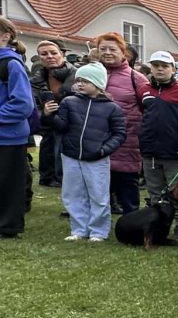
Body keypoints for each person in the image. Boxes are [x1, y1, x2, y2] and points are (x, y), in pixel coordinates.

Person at [45, 64, 126, 243]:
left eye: (85, 81)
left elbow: (119, 133)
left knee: (98, 195)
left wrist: (104, 150)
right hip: (71, 156)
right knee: (73, 193)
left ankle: (98, 231)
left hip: (97, 159)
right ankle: (79, 229)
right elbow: (62, 126)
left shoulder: (112, 108)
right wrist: (49, 116)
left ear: (98, 83)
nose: (80, 84)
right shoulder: (69, 102)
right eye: (78, 80)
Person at [92, 33, 150, 215]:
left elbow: (146, 109)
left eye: (112, 49)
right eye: (103, 49)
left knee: (127, 184)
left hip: (127, 140)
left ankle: (131, 219)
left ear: (123, 52)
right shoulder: (91, 74)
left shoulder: (136, 78)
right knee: (99, 184)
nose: (107, 53)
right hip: (96, 138)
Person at [140, 50, 178, 240]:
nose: (160, 69)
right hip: (150, 150)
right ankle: (159, 223)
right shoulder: (144, 90)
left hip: (175, 150)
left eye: (164, 66)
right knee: (155, 190)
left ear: (173, 69)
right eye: (156, 66)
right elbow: (142, 112)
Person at [0, 19, 35, 239]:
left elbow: (23, 104)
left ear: (6, 36)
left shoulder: (11, 64)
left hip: (8, 137)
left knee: (8, 184)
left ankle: (7, 227)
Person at [30, 40, 74, 187]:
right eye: (44, 54)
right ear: (39, 58)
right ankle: (48, 177)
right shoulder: (35, 80)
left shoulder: (77, 74)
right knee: (48, 146)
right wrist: (44, 112)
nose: (49, 56)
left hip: (73, 123)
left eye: (53, 53)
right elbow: (33, 106)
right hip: (48, 125)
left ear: (62, 54)